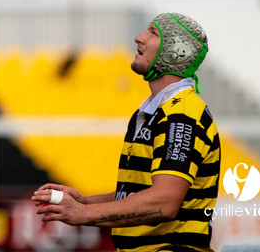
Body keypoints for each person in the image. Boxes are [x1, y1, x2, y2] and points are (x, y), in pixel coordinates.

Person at [33, 13, 220, 251]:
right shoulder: (155, 111)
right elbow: (137, 192)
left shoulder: (181, 114)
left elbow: (164, 201)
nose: (138, 37)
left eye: (153, 33)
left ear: (175, 51)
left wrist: (85, 213)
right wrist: (85, 201)